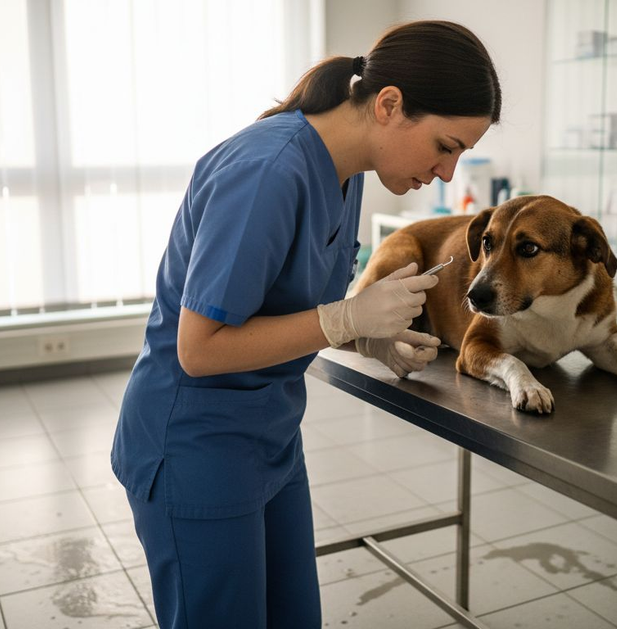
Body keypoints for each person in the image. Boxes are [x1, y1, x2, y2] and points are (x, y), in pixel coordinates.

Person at [111, 19, 501, 629]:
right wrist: (343, 318)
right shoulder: (268, 172)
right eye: (446, 147)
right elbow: (199, 349)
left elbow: (286, 303)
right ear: (390, 105)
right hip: (197, 444)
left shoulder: (345, 176)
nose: (449, 173)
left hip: (271, 437)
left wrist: (366, 334)